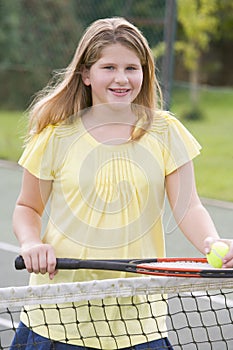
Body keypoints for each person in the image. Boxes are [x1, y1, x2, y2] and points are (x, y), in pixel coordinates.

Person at [11, 17, 233, 350]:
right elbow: (27, 207)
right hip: (57, 315)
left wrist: (212, 241)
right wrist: (31, 244)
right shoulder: (56, 136)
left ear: (145, 73)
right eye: (109, 67)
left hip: (139, 320)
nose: (121, 78)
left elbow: (188, 206)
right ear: (86, 74)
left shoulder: (165, 131)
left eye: (132, 67)